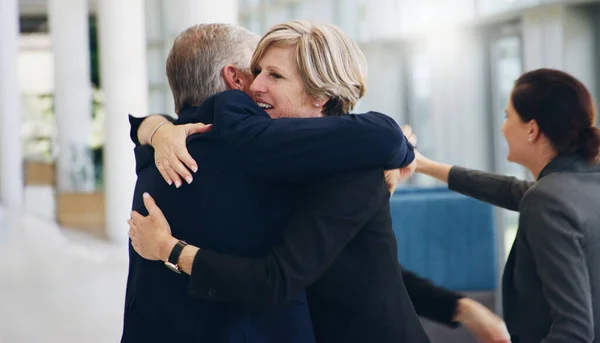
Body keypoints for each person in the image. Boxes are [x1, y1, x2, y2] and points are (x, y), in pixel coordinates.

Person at [127, 21, 509, 343]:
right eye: (256, 71)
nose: (255, 86)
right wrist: (156, 129)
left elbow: (298, 276)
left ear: (321, 96)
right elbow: (331, 260)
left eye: (273, 75)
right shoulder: (271, 160)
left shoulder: (351, 169)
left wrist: (168, 249)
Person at [412, 68, 600, 343]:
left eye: (507, 116)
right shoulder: (580, 184)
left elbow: (574, 329)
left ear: (532, 130)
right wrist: (424, 165)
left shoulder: (546, 198)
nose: (502, 127)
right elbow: (510, 190)